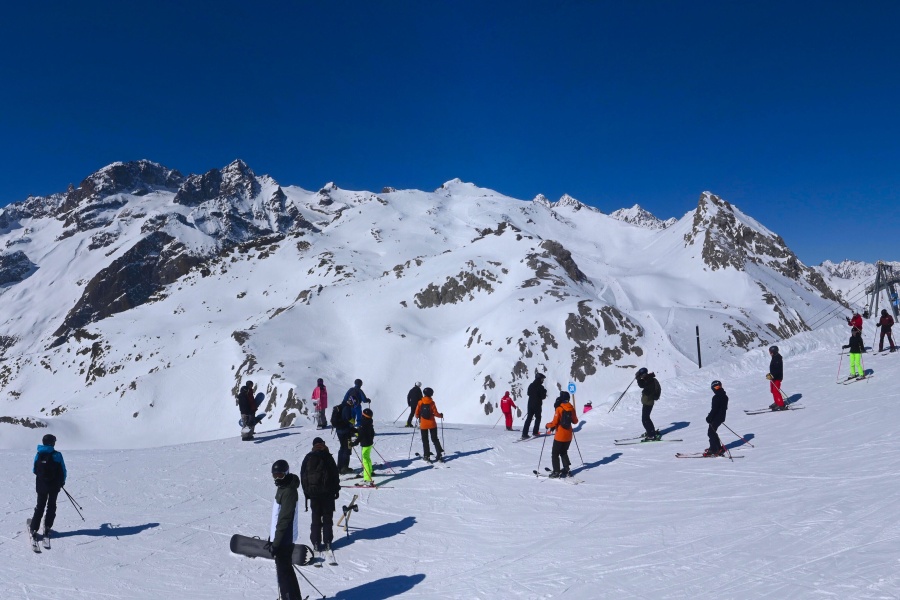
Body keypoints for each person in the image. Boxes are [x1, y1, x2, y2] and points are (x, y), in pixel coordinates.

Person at [269, 459, 303, 600]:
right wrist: (272, 536)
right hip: (281, 536)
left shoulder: (288, 491)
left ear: (287, 473)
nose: (277, 479)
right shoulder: (283, 487)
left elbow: (284, 519)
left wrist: (276, 543)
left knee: (283, 574)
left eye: (280, 475)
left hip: (285, 537)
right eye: (275, 475)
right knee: (286, 570)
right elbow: (277, 515)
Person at [300, 438, 341, 552]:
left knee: (316, 518)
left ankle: (316, 543)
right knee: (327, 518)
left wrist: (307, 492)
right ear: (322, 444)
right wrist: (336, 490)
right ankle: (327, 542)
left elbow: (303, 475)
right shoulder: (327, 456)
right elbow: (335, 474)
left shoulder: (308, 457)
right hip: (328, 493)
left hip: (313, 494)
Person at [30, 434, 66, 542]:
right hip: (54, 486)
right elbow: (63, 470)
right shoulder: (57, 455)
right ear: (52, 443)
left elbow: (34, 470)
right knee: (51, 505)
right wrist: (61, 482)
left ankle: (34, 528)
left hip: (41, 486)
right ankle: (47, 526)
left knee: (40, 506)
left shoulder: (38, 454)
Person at [545, 392, 578, 477]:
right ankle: (566, 469)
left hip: (560, 435)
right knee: (563, 452)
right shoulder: (571, 408)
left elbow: (554, 423)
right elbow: (575, 421)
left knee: (555, 453)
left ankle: (556, 472)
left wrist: (547, 425)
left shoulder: (559, 408)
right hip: (569, 435)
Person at [415, 387, 445, 462]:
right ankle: (439, 454)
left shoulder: (420, 402)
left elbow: (416, 414)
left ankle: (426, 456)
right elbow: (436, 413)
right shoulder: (432, 402)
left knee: (425, 440)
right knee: (435, 439)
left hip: (423, 425)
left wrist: (419, 416)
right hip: (432, 424)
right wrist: (441, 415)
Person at [331, 396, 357, 474]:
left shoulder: (341, 406)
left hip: (339, 430)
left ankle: (339, 467)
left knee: (342, 447)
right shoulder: (347, 408)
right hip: (345, 430)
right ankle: (344, 467)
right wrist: (353, 422)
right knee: (347, 448)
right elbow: (348, 418)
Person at [704, 380, 729, 457]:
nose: (717, 388)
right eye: (716, 387)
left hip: (716, 418)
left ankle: (714, 449)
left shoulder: (716, 397)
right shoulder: (725, 396)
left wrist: (709, 417)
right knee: (712, 432)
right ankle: (717, 447)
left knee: (711, 432)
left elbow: (714, 409)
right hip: (721, 417)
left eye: (718, 387)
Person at [352, 408, 376, 486]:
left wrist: (354, 443)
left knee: (365, 460)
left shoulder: (364, 424)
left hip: (366, 444)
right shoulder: (369, 422)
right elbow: (372, 432)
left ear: (364, 416)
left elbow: (361, 436)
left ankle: (367, 479)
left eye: (362, 415)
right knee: (367, 458)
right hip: (369, 443)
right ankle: (369, 471)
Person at [635, 367, 661, 440]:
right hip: (648, 401)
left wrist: (638, 379)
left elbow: (642, 385)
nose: (641, 376)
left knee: (645, 419)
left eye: (641, 375)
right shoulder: (649, 378)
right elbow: (643, 384)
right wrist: (639, 378)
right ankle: (651, 431)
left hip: (648, 402)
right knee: (646, 418)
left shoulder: (649, 380)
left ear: (644, 374)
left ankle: (651, 435)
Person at [521, 372, 547, 439]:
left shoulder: (531, 385)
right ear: (539, 379)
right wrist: (544, 392)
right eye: (542, 379)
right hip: (537, 404)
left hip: (530, 404)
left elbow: (528, 393)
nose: (543, 380)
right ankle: (535, 432)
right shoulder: (541, 387)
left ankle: (524, 433)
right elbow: (543, 397)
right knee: (538, 417)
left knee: (529, 418)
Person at [767, 346, 786, 410]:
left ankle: (781, 405)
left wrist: (772, 376)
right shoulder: (775, 357)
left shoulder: (777, 358)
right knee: (773, 390)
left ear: (773, 352)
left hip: (777, 378)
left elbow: (777, 370)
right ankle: (777, 402)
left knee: (776, 391)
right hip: (773, 378)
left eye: (770, 352)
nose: (770, 353)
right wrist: (771, 375)